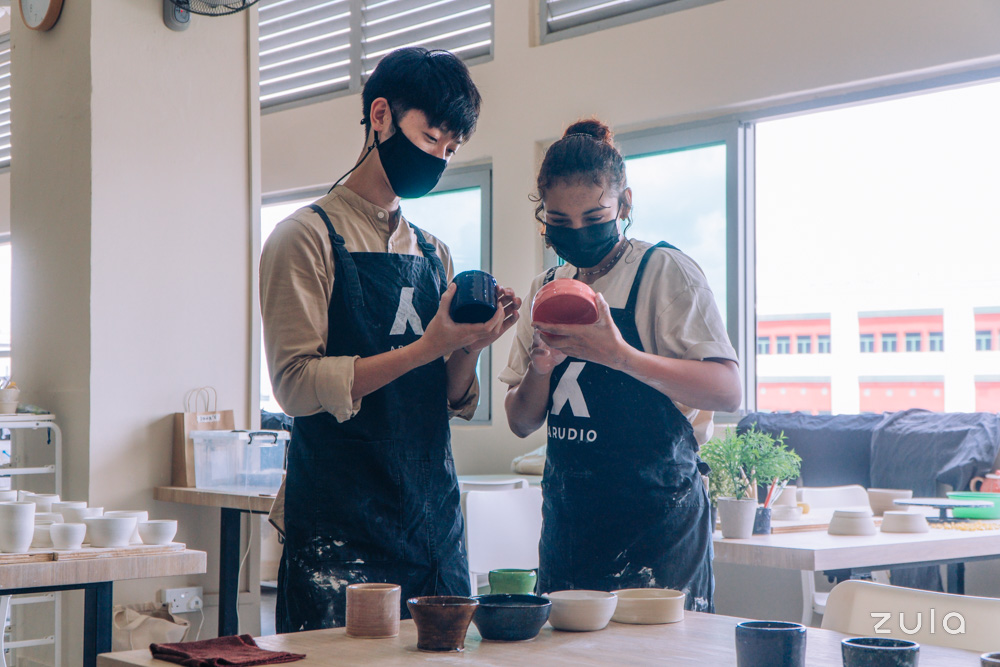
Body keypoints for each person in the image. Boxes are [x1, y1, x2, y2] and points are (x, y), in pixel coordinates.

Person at [260, 47, 520, 632]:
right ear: (380, 115)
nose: (438, 159)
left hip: (432, 527)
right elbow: (296, 387)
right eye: (430, 139)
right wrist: (429, 345)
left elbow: (449, 398)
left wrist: (470, 347)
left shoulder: (432, 252)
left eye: (450, 151)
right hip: (337, 528)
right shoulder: (304, 237)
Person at [500, 119, 741, 611]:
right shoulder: (546, 287)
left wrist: (620, 356)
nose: (579, 233)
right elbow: (521, 422)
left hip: (659, 537)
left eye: (595, 217)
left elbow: (726, 390)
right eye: (560, 223)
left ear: (624, 204)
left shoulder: (665, 273)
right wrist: (540, 370)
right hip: (571, 533)